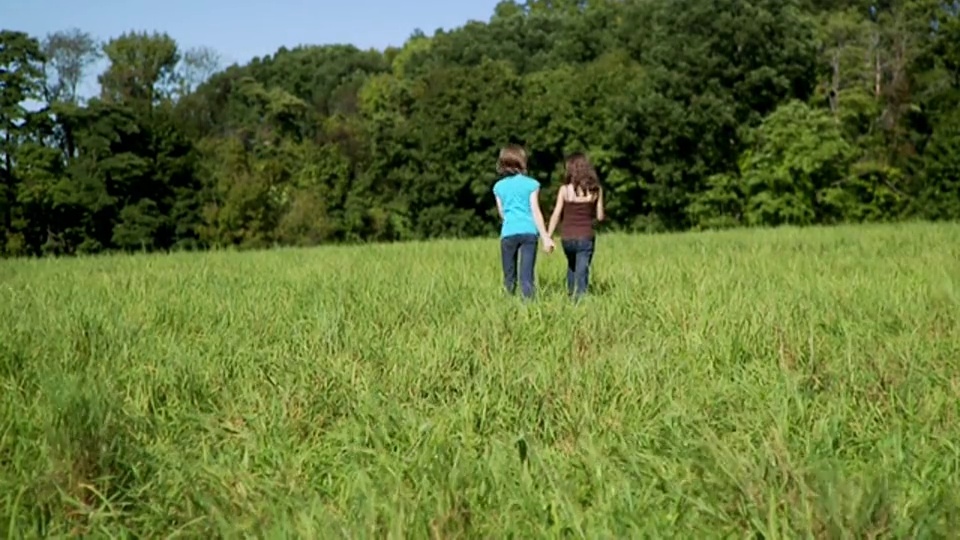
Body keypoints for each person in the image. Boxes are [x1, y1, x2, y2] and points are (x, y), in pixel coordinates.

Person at [492, 144, 555, 299]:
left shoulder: (498, 187)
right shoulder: (532, 184)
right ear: (522, 161)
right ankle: (528, 306)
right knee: (527, 276)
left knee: (509, 275)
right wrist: (545, 237)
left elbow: (502, 213)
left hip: (508, 233)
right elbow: (535, 211)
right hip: (528, 232)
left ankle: (509, 302)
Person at [546, 152, 605, 300]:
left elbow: (556, 214)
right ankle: (580, 299)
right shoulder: (595, 190)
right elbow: (600, 216)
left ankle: (571, 295)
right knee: (582, 269)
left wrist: (548, 236)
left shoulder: (564, 190)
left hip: (567, 237)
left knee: (572, 266)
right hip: (585, 236)